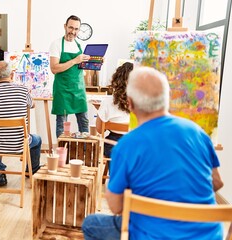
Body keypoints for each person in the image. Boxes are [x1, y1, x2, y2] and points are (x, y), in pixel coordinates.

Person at [82, 66, 224, 240]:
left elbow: (116, 206)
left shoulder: (126, 145)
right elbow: (216, 182)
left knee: (91, 223)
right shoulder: (197, 132)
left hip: (151, 234)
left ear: (130, 103)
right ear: (167, 99)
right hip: (208, 235)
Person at [0, 60, 41, 186]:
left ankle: (0, 172)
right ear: (12, 75)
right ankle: (31, 170)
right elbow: (32, 105)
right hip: (19, 145)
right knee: (37, 139)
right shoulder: (22, 90)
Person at [49, 15, 91, 138]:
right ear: (65, 26)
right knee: (61, 125)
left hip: (78, 89)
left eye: (76, 29)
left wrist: (95, 62)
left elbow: (80, 67)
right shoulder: (56, 44)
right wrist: (74, 61)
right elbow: (54, 68)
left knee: (84, 123)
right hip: (62, 90)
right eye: (70, 27)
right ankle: (62, 154)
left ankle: (84, 153)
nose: (73, 31)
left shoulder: (79, 46)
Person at [96, 62, 133, 157]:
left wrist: (101, 111)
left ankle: (115, 170)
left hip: (114, 146)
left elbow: (100, 130)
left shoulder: (108, 102)